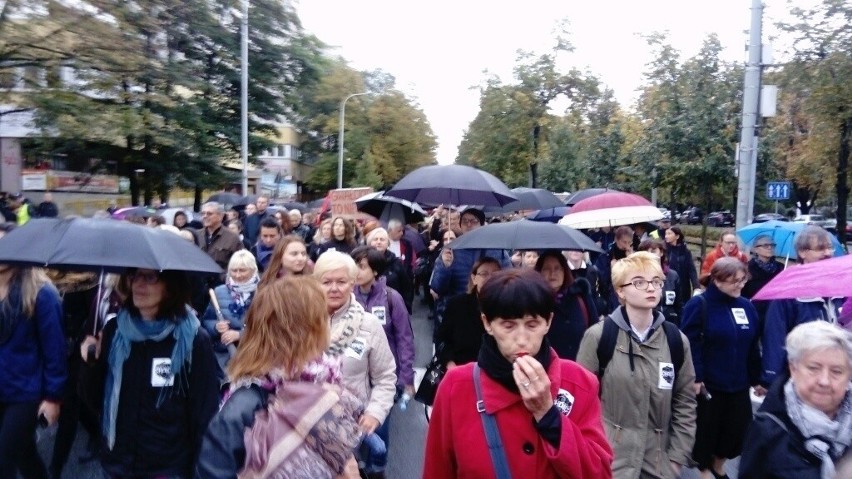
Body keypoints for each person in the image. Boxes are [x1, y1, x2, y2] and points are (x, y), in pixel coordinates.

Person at [423, 269, 613, 478]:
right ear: (487, 324)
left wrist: (549, 416)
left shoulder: (578, 382)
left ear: (548, 322)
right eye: (508, 325)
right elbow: (437, 470)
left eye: (532, 325)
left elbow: (599, 473)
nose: (521, 339)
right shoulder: (456, 386)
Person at [195, 277, 363, 478]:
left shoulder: (321, 381)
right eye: (323, 316)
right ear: (302, 330)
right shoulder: (247, 404)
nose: (328, 323)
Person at [79, 269, 219, 478]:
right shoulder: (114, 332)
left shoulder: (193, 341)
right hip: (118, 463)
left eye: (150, 277)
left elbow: (205, 414)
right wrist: (90, 364)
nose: (138, 284)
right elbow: (94, 400)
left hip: (167, 467)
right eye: (134, 276)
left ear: (170, 286)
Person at [577, 251, 697, 479]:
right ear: (620, 291)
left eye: (656, 281)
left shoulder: (675, 340)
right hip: (609, 460)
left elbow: (685, 402)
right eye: (639, 282)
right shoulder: (599, 337)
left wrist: (675, 460)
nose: (650, 288)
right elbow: (582, 401)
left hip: (659, 464)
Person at [314, 251, 396, 479]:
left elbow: (386, 377)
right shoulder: (303, 323)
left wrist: (375, 413)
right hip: (309, 427)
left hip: (352, 428)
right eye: (326, 282)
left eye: (341, 282)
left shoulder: (368, 324)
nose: (334, 288)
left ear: (352, 283)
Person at [680, 258, 762, 479]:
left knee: (736, 432)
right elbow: (690, 344)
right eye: (734, 280)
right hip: (709, 386)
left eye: (743, 280)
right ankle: (704, 470)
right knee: (707, 432)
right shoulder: (699, 305)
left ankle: (719, 464)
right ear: (716, 280)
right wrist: (696, 376)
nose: (740, 285)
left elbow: (752, 346)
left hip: (738, 383)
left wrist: (758, 379)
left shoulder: (746, 306)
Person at [740, 321, 852, 479]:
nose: (824, 381)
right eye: (813, 368)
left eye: (836, 371)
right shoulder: (767, 431)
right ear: (793, 369)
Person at [350, 246, 414, 477]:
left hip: (385, 376)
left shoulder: (391, 298)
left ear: (375, 271)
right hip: (355, 375)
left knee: (379, 428)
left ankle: (378, 467)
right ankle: (357, 466)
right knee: (354, 426)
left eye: (362, 266)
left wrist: (406, 378)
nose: (356, 270)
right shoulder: (348, 297)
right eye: (354, 264)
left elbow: (405, 338)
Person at [0, 265, 66, 479]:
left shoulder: (42, 292)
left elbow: (55, 350)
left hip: (25, 393)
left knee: (4, 459)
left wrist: (52, 397)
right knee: (25, 454)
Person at [760, 226, 844, 390]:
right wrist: (771, 379)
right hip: (802, 377)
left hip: (837, 374)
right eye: (820, 248)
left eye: (829, 247)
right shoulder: (788, 289)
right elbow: (775, 335)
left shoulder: (841, 286)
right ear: (802, 252)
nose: (828, 253)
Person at [201, 250, 258, 380]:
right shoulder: (219, 292)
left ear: (253, 270)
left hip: (253, 355)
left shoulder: (263, 292)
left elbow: (270, 327)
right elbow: (206, 321)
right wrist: (216, 327)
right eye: (233, 270)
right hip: (224, 356)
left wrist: (240, 335)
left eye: (242, 270)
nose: (237, 275)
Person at [436, 257, 502, 368]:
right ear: (474, 278)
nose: (490, 278)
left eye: (495, 274)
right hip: (460, 370)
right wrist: (450, 364)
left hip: (495, 372)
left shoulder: (507, 307)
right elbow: (442, 340)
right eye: (484, 274)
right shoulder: (457, 305)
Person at [534, 251, 598, 360]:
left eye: (557, 268)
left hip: (581, 368)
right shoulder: (534, 301)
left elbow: (595, 332)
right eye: (547, 269)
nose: (552, 273)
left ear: (565, 271)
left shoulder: (580, 296)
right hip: (548, 370)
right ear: (539, 272)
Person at [366, 227, 414, 314]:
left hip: (392, 308)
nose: (378, 242)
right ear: (369, 243)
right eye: (375, 239)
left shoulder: (396, 262)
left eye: (382, 239)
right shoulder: (364, 263)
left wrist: (405, 307)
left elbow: (406, 286)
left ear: (388, 243)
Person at [193, 202, 243, 281]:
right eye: (203, 213)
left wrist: (224, 277)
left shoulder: (232, 237)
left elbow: (240, 262)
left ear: (220, 216)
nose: (205, 216)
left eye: (209, 214)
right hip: (200, 283)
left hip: (221, 283)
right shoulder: (196, 235)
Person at [638, 239, 684, 325]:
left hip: (671, 323)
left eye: (653, 251)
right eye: (646, 252)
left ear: (661, 252)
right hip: (648, 324)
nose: (650, 255)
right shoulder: (639, 277)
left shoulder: (673, 276)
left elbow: (679, 305)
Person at [741, 234, 785, 323]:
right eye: (765, 245)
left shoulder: (781, 268)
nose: (770, 248)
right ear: (756, 249)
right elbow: (742, 294)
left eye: (772, 245)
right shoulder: (748, 268)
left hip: (775, 312)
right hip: (754, 312)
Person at [593, 225, 634, 314]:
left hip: (630, 296)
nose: (627, 246)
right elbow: (601, 281)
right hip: (611, 299)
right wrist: (613, 270)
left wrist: (632, 260)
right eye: (624, 242)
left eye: (629, 243)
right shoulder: (606, 256)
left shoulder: (633, 256)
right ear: (616, 240)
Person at [665, 226, 701, 301]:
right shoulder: (664, 250)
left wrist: (696, 287)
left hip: (683, 285)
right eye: (666, 234)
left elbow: (691, 269)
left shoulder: (685, 251)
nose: (666, 236)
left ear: (677, 236)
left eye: (669, 234)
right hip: (669, 285)